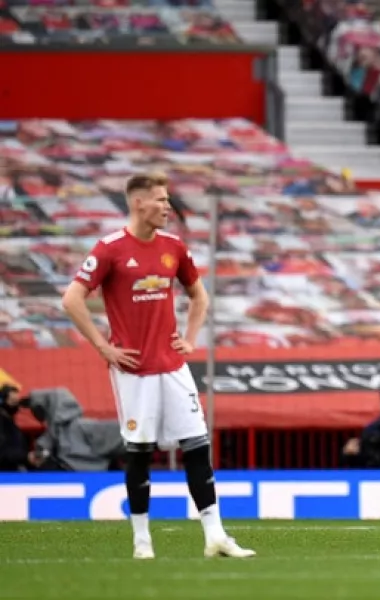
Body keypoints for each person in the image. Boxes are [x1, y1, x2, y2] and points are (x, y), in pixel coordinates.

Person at [61, 172, 254, 560]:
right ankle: (142, 541)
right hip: (133, 370)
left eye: (168, 200)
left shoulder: (174, 247)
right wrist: (103, 347)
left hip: (172, 366)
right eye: (162, 200)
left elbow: (198, 296)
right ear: (138, 203)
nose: (168, 207)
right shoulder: (110, 248)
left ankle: (215, 536)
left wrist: (191, 337)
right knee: (140, 451)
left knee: (198, 446)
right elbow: (72, 299)